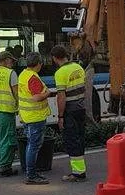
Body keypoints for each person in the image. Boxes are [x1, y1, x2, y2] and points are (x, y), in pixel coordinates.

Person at [51, 45, 87, 182]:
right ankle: (80, 169)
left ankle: (78, 173)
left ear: (55, 58)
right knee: (80, 137)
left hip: (70, 110)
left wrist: (60, 116)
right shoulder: (79, 68)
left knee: (72, 140)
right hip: (81, 107)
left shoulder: (60, 73)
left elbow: (61, 96)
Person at [18, 52, 50, 185]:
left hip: (27, 116)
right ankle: (31, 175)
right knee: (34, 146)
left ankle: (31, 173)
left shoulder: (23, 74)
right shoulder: (32, 77)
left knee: (31, 145)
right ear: (38, 64)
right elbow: (36, 97)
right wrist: (47, 93)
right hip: (35, 117)